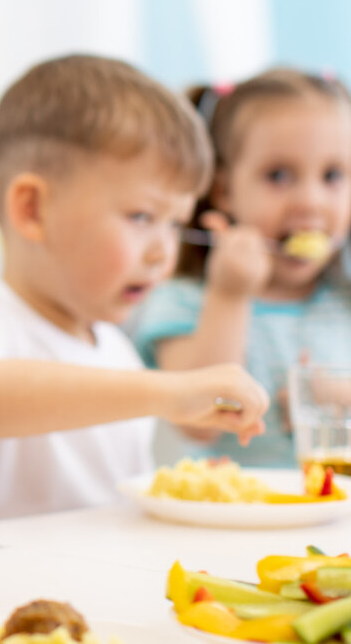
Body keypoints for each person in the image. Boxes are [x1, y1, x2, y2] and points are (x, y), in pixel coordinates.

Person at [0, 54, 269, 562]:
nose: (163, 251)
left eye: (174, 223)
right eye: (141, 216)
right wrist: (166, 391)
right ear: (32, 209)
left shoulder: (114, 349)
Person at [132, 68, 351, 467]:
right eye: (279, 176)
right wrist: (230, 295)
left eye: (333, 176)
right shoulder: (182, 303)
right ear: (225, 191)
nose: (311, 201)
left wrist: (337, 399)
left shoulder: (345, 298)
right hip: (235, 520)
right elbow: (198, 424)